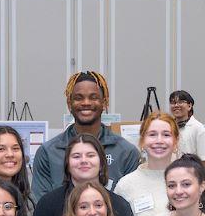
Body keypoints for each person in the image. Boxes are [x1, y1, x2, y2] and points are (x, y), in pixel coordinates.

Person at [30, 71, 141, 199]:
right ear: (69, 104)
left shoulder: (127, 152)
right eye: (79, 98)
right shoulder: (48, 152)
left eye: (93, 97)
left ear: (104, 103)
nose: (86, 102)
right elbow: (42, 203)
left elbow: (129, 202)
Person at [32, 134, 139, 216]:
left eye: (90, 155)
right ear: (67, 164)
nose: (83, 160)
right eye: (76, 156)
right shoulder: (48, 204)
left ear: (101, 163)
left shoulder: (119, 206)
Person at [113, 111, 180, 216]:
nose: (159, 140)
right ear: (142, 141)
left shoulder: (188, 182)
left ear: (175, 142)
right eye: (152, 134)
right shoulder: (126, 185)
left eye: (166, 135)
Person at [168, 89, 205, 159]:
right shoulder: (168, 127)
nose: (176, 105)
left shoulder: (198, 128)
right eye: (173, 102)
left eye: (180, 102)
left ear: (189, 106)